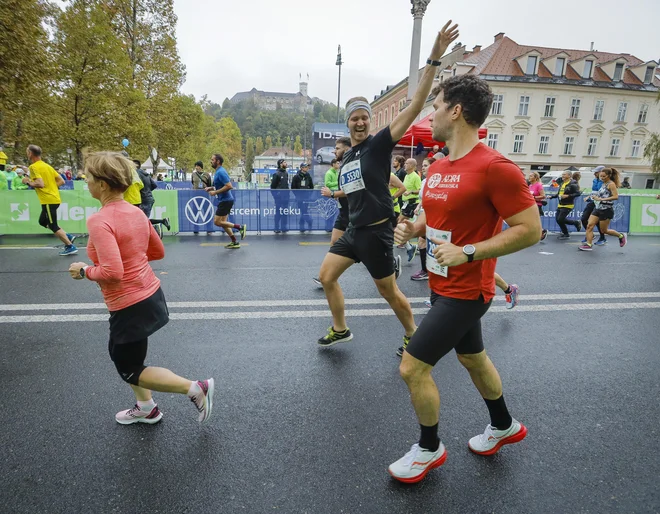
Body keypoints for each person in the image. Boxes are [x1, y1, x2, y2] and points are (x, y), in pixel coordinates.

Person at [390, 73, 541, 484]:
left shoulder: (496, 168)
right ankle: (504, 425)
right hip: (442, 285)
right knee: (473, 358)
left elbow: (530, 229)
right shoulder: (438, 166)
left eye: (436, 105)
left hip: (469, 290)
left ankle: (428, 448)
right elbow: (435, 218)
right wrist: (413, 228)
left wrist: (469, 251)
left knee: (412, 369)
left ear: (456, 111)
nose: (432, 113)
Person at [316, 20, 460, 352]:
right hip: (355, 231)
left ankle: (413, 334)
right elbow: (360, 189)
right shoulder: (349, 154)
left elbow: (413, 107)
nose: (361, 121)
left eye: (365, 116)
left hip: (378, 232)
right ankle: (341, 329)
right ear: (348, 122)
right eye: (355, 117)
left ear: (369, 120)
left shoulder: (379, 144)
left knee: (388, 292)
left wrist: (434, 59)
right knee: (326, 276)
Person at [67, 152, 214, 425]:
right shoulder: (135, 211)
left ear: (102, 184)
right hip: (149, 295)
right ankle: (146, 407)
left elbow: (112, 272)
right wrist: (132, 254)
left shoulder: (99, 220)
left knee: (128, 368)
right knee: (125, 356)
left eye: (88, 177)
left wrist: (84, 271)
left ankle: (195, 388)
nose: (85, 181)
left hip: (129, 303)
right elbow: (157, 252)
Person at [22, 145, 78, 256]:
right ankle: (68, 236)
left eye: (27, 152)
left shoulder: (33, 167)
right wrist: (51, 188)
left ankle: (70, 246)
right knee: (42, 221)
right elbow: (61, 181)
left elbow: (40, 184)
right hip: (53, 198)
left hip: (48, 200)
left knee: (53, 225)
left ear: (30, 153)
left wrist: (27, 182)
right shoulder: (47, 166)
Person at [314, 138, 352, 287]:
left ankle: (390, 265)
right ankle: (327, 276)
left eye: (337, 148)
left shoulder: (350, 165)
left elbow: (351, 190)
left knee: (362, 249)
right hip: (343, 212)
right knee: (334, 242)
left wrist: (332, 194)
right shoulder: (342, 166)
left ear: (347, 149)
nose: (334, 151)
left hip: (353, 212)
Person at [579, 167, 627, 251]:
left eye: (604, 176)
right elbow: (599, 194)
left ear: (609, 176)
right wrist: (591, 197)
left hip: (606, 210)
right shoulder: (603, 183)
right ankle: (589, 244)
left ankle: (621, 236)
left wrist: (601, 199)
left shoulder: (611, 184)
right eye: (601, 176)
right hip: (597, 208)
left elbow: (615, 196)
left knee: (604, 230)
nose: (602, 178)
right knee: (589, 226)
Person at [205, 153, 246, 248]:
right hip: (225, 200)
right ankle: (234, 242)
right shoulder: (218, 171)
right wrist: (211, 187)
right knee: (224, 223)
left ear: (218, 161)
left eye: (212, 159)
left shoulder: (221, 172)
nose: (211, 161)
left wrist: (215, 192)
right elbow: (221, 185)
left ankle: (240, 227)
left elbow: (229, 186)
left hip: (225, 201)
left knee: (217, 222)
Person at [410, 157, 435, 281]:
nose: (423, 168)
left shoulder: (436, 181)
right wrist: (419, 206)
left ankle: (429, 271)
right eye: (423, 165)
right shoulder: (425, 181)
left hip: (432, 216)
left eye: (425, 165)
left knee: (427, 242)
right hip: (424, 214)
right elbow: (423, 197)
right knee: (422, 241)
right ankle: (427, 270)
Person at [549, 170, 581, 239]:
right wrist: (552, 197)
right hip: (560, 204)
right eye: (562, 174)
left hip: (568, 205)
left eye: (564, 174)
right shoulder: (562, 183)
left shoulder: (573, 184)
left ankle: (575, 223)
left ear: (569, 176)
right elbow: (559, 194)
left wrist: (568, 196)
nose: (562, 176)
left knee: (560, 219)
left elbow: (578, 193)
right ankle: (566, 233)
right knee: (558, 220)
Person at [581, 167, 607, 245]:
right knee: (584, 219)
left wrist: (593, 198)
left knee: (598, 222)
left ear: (601, 172)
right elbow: (594, 191)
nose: (594, 174)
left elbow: (602, 193)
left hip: (600, 203)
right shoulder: (595, 180)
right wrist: (589, 196)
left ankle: (602, 238)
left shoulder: (605, 182)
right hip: (592, 202)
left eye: (596, 172)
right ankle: (590, 235)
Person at [291, 162, 314, 233]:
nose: (307, 168)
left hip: (306, 197)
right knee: (303, 211)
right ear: (301, 168)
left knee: (304, 211)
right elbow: (293, 188)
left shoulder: (308, 176)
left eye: (307, 167)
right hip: (299, 198)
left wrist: (309, 194)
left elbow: (311, 187)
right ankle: (309, 221)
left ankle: (302, 225)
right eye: (305, 167)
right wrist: (297, 195)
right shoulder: (296, 177)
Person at [270, 159, 290, 233]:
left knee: (285, 212)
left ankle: (284, 227)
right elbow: (272, 187)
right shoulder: (277, 174)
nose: (286, 163)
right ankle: (276, 227)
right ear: (281, 164)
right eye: (284, 162)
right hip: (279, 198)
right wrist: (276, 196)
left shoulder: (286, 173)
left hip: (286, 197)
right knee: (278, 212)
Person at [528, 172, 548, 241]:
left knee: (532, 221)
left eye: (531, 176)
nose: (529, 177)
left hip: (537, 206)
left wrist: (534, 197)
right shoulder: (530, 186)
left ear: (535, 178)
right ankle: (541, 231)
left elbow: (543, 196)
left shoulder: (539, 185)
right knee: (530, 221)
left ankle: (541, 231)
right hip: (530, 205)